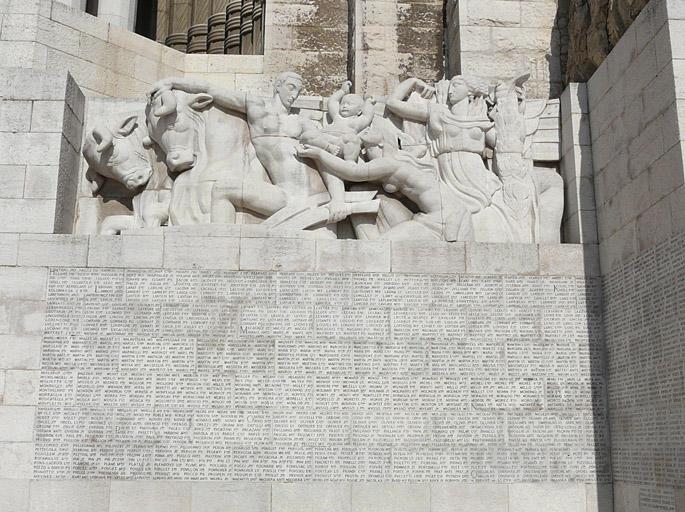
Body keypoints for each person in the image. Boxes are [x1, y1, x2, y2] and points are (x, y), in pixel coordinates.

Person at [148, 72, 348, 228]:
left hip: (306, 197)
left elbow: (327, 162)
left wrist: (338, 199)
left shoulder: (302, 123)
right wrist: (172, 82)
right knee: (222, 189)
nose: (294, 94)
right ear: (278, 86)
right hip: (282, 195)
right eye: (291, 87)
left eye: (298, 90)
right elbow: (211, 90)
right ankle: (221, 244)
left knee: (222, 189)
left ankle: (220, 245)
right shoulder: (257, 109)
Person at [385, 76, 521, 242]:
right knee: (453, 213)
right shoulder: (437, 113)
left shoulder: (481, 119)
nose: (451, 90)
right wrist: (413, 82)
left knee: (484, 217)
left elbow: (505, 145)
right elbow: (393, 103)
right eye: (450, 86)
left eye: (457, 85)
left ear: (470, 90)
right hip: (446, 174)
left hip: (476, 174)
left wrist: (508, 108)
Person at [297, 127, 474, 242]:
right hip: (445, 213)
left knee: (381, 246)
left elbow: (353, 172)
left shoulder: (389, 163)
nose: (366, 154)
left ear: (381, 144)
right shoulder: (398, 163)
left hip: (443, 219)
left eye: (368, 150)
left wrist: (319, 154)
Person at [300, 80, 375, 162]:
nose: (344, 106)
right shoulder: (337, 116)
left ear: (359, 111)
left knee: (352, 139)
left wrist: (368, 102)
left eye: (350, 104)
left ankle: (350, 162)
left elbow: (367, 115)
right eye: (343, 104)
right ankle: (328, 147)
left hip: (340, 143)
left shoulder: (356, 122)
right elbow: (332, 102)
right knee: (307, 135)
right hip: (325, 139)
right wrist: (342, 91)